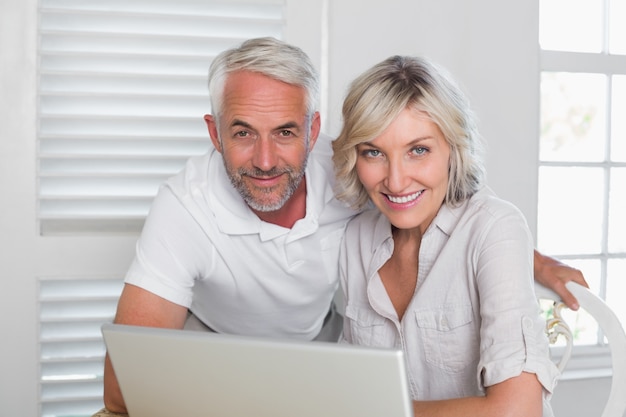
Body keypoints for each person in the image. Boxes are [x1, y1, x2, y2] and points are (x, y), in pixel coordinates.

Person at [95, 38, 584, 416]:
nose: (265, 161)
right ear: (214, 134)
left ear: (312, 133)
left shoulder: (457, 218)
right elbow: (123, 388)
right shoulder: (354, 229)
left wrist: (528, 258)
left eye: (285, 132)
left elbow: (465, 211)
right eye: (243, 132)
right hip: (226, 358)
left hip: (321, 376)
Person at [332, 55, 559, 417]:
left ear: (453, 150)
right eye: (373, 152)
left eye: (418, 150)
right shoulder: (355, 237)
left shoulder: (494, 228)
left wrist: (376, 410)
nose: (395, 181)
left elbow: (518, 410)